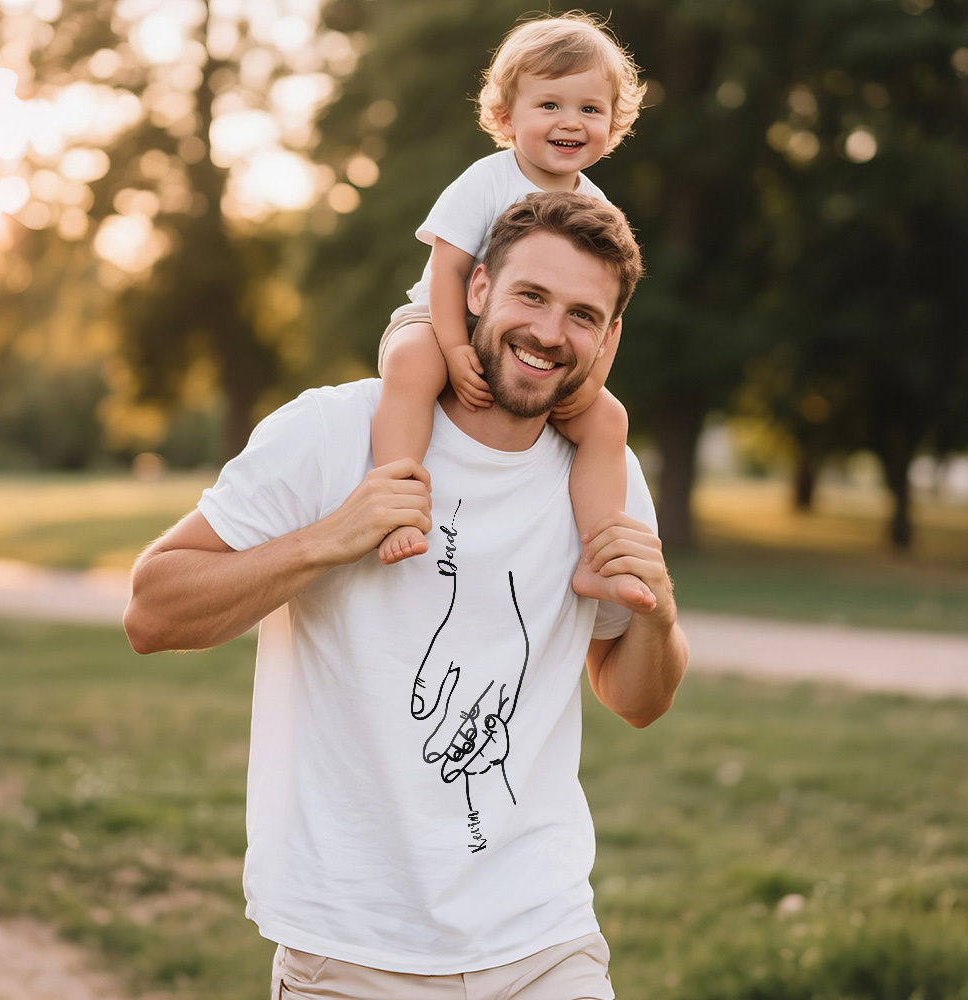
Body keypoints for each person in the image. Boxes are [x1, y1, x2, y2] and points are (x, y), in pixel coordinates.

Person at [124, 191, 688, 1000]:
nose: (549, 332)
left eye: (582, 315)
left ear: (610, 337)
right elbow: (151, 611)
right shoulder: (332, 432)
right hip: (352, 951)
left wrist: (657, 613)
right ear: (478, 288)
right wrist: (331, 538)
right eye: (531, 296)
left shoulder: (606, 477)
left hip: (545, 939)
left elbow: (636, 700)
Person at [372, 12, 654, 615]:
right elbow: (449, 274)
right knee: (413, 365)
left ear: (612, 124)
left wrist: (591, 384)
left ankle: (599, 556)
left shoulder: (598, 209)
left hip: (530, 347)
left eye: (590, 109)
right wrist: (455, 348)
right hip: (440, 320)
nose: (570, 122)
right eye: (549, 105)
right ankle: (394, 504)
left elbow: (607, 311)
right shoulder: (485, 181)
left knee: (608, 421)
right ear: (506, 117)